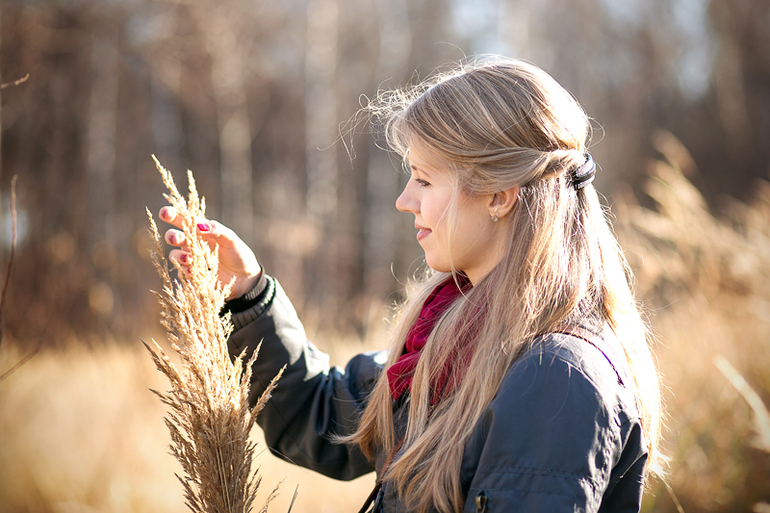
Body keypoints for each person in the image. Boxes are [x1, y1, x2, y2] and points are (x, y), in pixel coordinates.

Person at [159, 57, 664, 512]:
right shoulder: (449, 335)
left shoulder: (556, 379)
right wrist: (249, 294)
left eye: (424, 179)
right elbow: (324, 418)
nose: (405, 200)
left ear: (498, 195)